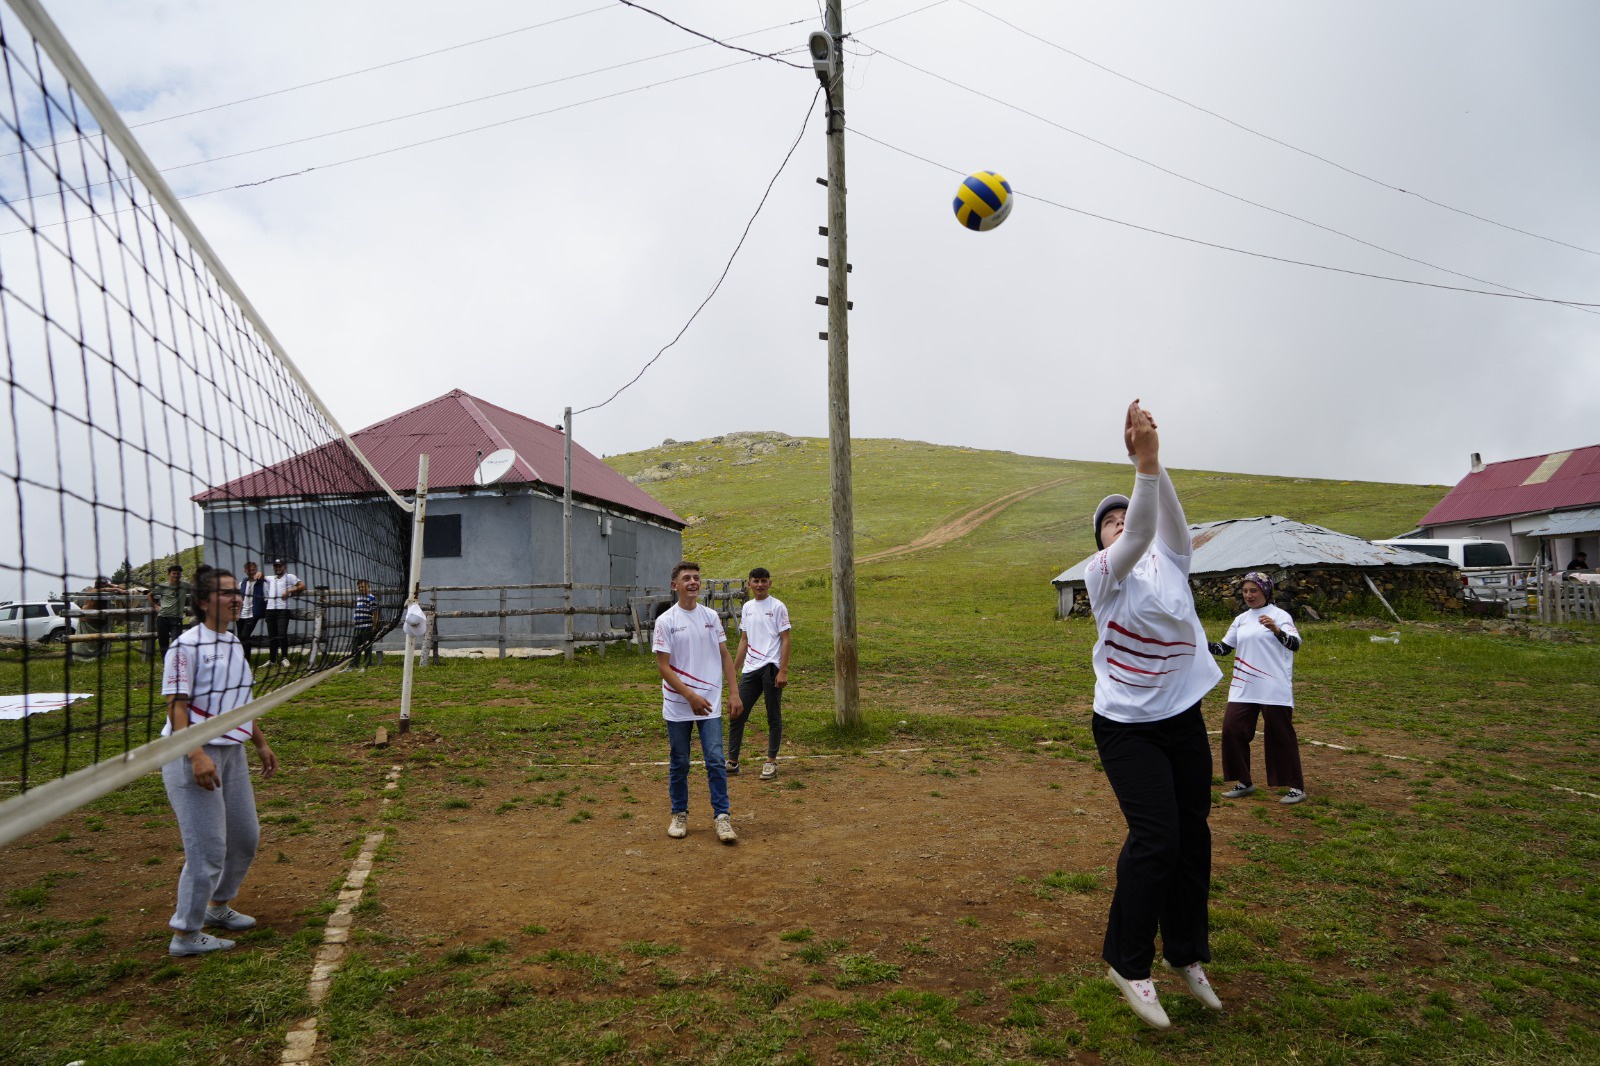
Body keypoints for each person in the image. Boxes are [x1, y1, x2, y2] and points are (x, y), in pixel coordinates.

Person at [1083, 400, 1224, 1029]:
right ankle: (1128, 964)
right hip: (1125, 726)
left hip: (1182, 717)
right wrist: (1141, 466)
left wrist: (1155, 462)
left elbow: (1167, 525)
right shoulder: (1103, 575)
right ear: (1101, 542)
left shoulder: (1175, 561)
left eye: (1122, 514)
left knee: (1193, 835)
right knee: (1157, 838)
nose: (1119, 523)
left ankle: (1186, 955)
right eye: (1108, 521)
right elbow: (1140, 530)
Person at [161, 564, 278, 957]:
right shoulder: (185, 646)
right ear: (202, 602)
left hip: (232, 751)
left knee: (244, 838)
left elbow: (240, 702)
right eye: (226, 593)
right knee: (207, 849)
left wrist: (259, 742)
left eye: (237, 593)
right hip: (192, 755)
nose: (236, 598)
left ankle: (217, 907)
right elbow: (176, 705)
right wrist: (195, 753)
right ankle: (185, 933)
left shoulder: (232, 642)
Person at [653, 561, 743, 844]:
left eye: (696, 578)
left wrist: (733, 692)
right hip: (679, 703)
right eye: (686, 578)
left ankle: (722, 817)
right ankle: (679, 814)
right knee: (680, 762)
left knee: (716, 760)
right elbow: (664, 667)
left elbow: (725, 656)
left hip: (710, 702)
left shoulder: (711, 617)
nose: (693, 582)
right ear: (674, 585)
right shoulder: (665, 621)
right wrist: (689, 696)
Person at [1208, 572, 1306, 805]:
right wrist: (1197, 640)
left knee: (1280, 735)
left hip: (1273, 686)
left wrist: (1276, 630)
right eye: (1245, 591)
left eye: (1254, 590)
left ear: (1265, 591)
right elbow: (1223, 649)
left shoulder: (1279, 615)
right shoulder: (1241, 619)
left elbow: (1295, 644)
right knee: (1232, 730)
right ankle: (1244, 782)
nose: (1249, 595)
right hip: (1243, 686)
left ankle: (1296, 786)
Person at [729, 567, 791, 781]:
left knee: (773, 715)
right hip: (750, 668)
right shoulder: (747, 607)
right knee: (737, 713)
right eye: (756, 581)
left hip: (771, 667)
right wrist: (733, 669)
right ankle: (732, 761)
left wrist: (782, 670)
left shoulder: (778, 607)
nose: (760, 585)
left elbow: (785, 638)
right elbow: (744, 640)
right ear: (749, 584)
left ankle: (771, 762)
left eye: (764, 581)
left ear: (770, 583)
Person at [261, 558, 305, 667]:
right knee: (272, 636)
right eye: (276, 566)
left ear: (284, 567)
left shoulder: (290, 577)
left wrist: (289, 591)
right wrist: (259, 573)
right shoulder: (271, 578)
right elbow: (261, 576)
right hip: (270, 610)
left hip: (282, 610)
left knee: (282, 635)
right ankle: (272, 660)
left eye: (280, 566)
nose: (278, 568)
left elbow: (302, 586)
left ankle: (285, 658)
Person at [148, 565, 192, 657]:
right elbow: (149, 595)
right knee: (163, 642)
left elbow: (197, 590)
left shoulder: (184, 585)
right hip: (163, 617)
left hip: (177, 619)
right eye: (174, 573)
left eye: (178, 574)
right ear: (169, 574)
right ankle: (166, 664)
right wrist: (155, 606)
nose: (176, 575)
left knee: (177, 643)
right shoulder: (163, 586)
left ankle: (175, 663)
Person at [236, 561, 266, 660]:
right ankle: (244, 659)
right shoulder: (242, 583)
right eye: (248, 570)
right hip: (241, 614)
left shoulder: (261, 583)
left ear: (256, 569)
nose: (251, 572)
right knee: (241, 638)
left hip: (253, 614)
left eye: (253, 570)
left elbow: (266, 597)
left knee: (245, 636)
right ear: (245, 571)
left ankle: (247, 660)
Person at [349, 578, 379, 671]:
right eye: (359, 587)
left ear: (367, 587)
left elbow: (375, 613)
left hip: (366, 627)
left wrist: (374, 626)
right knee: (354, 647)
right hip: (358, 627)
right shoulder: (359, 598)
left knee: (367, 646)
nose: (361, 588)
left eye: (362, 586)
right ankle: (352, 666)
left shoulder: (371, 597)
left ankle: (366, 666)